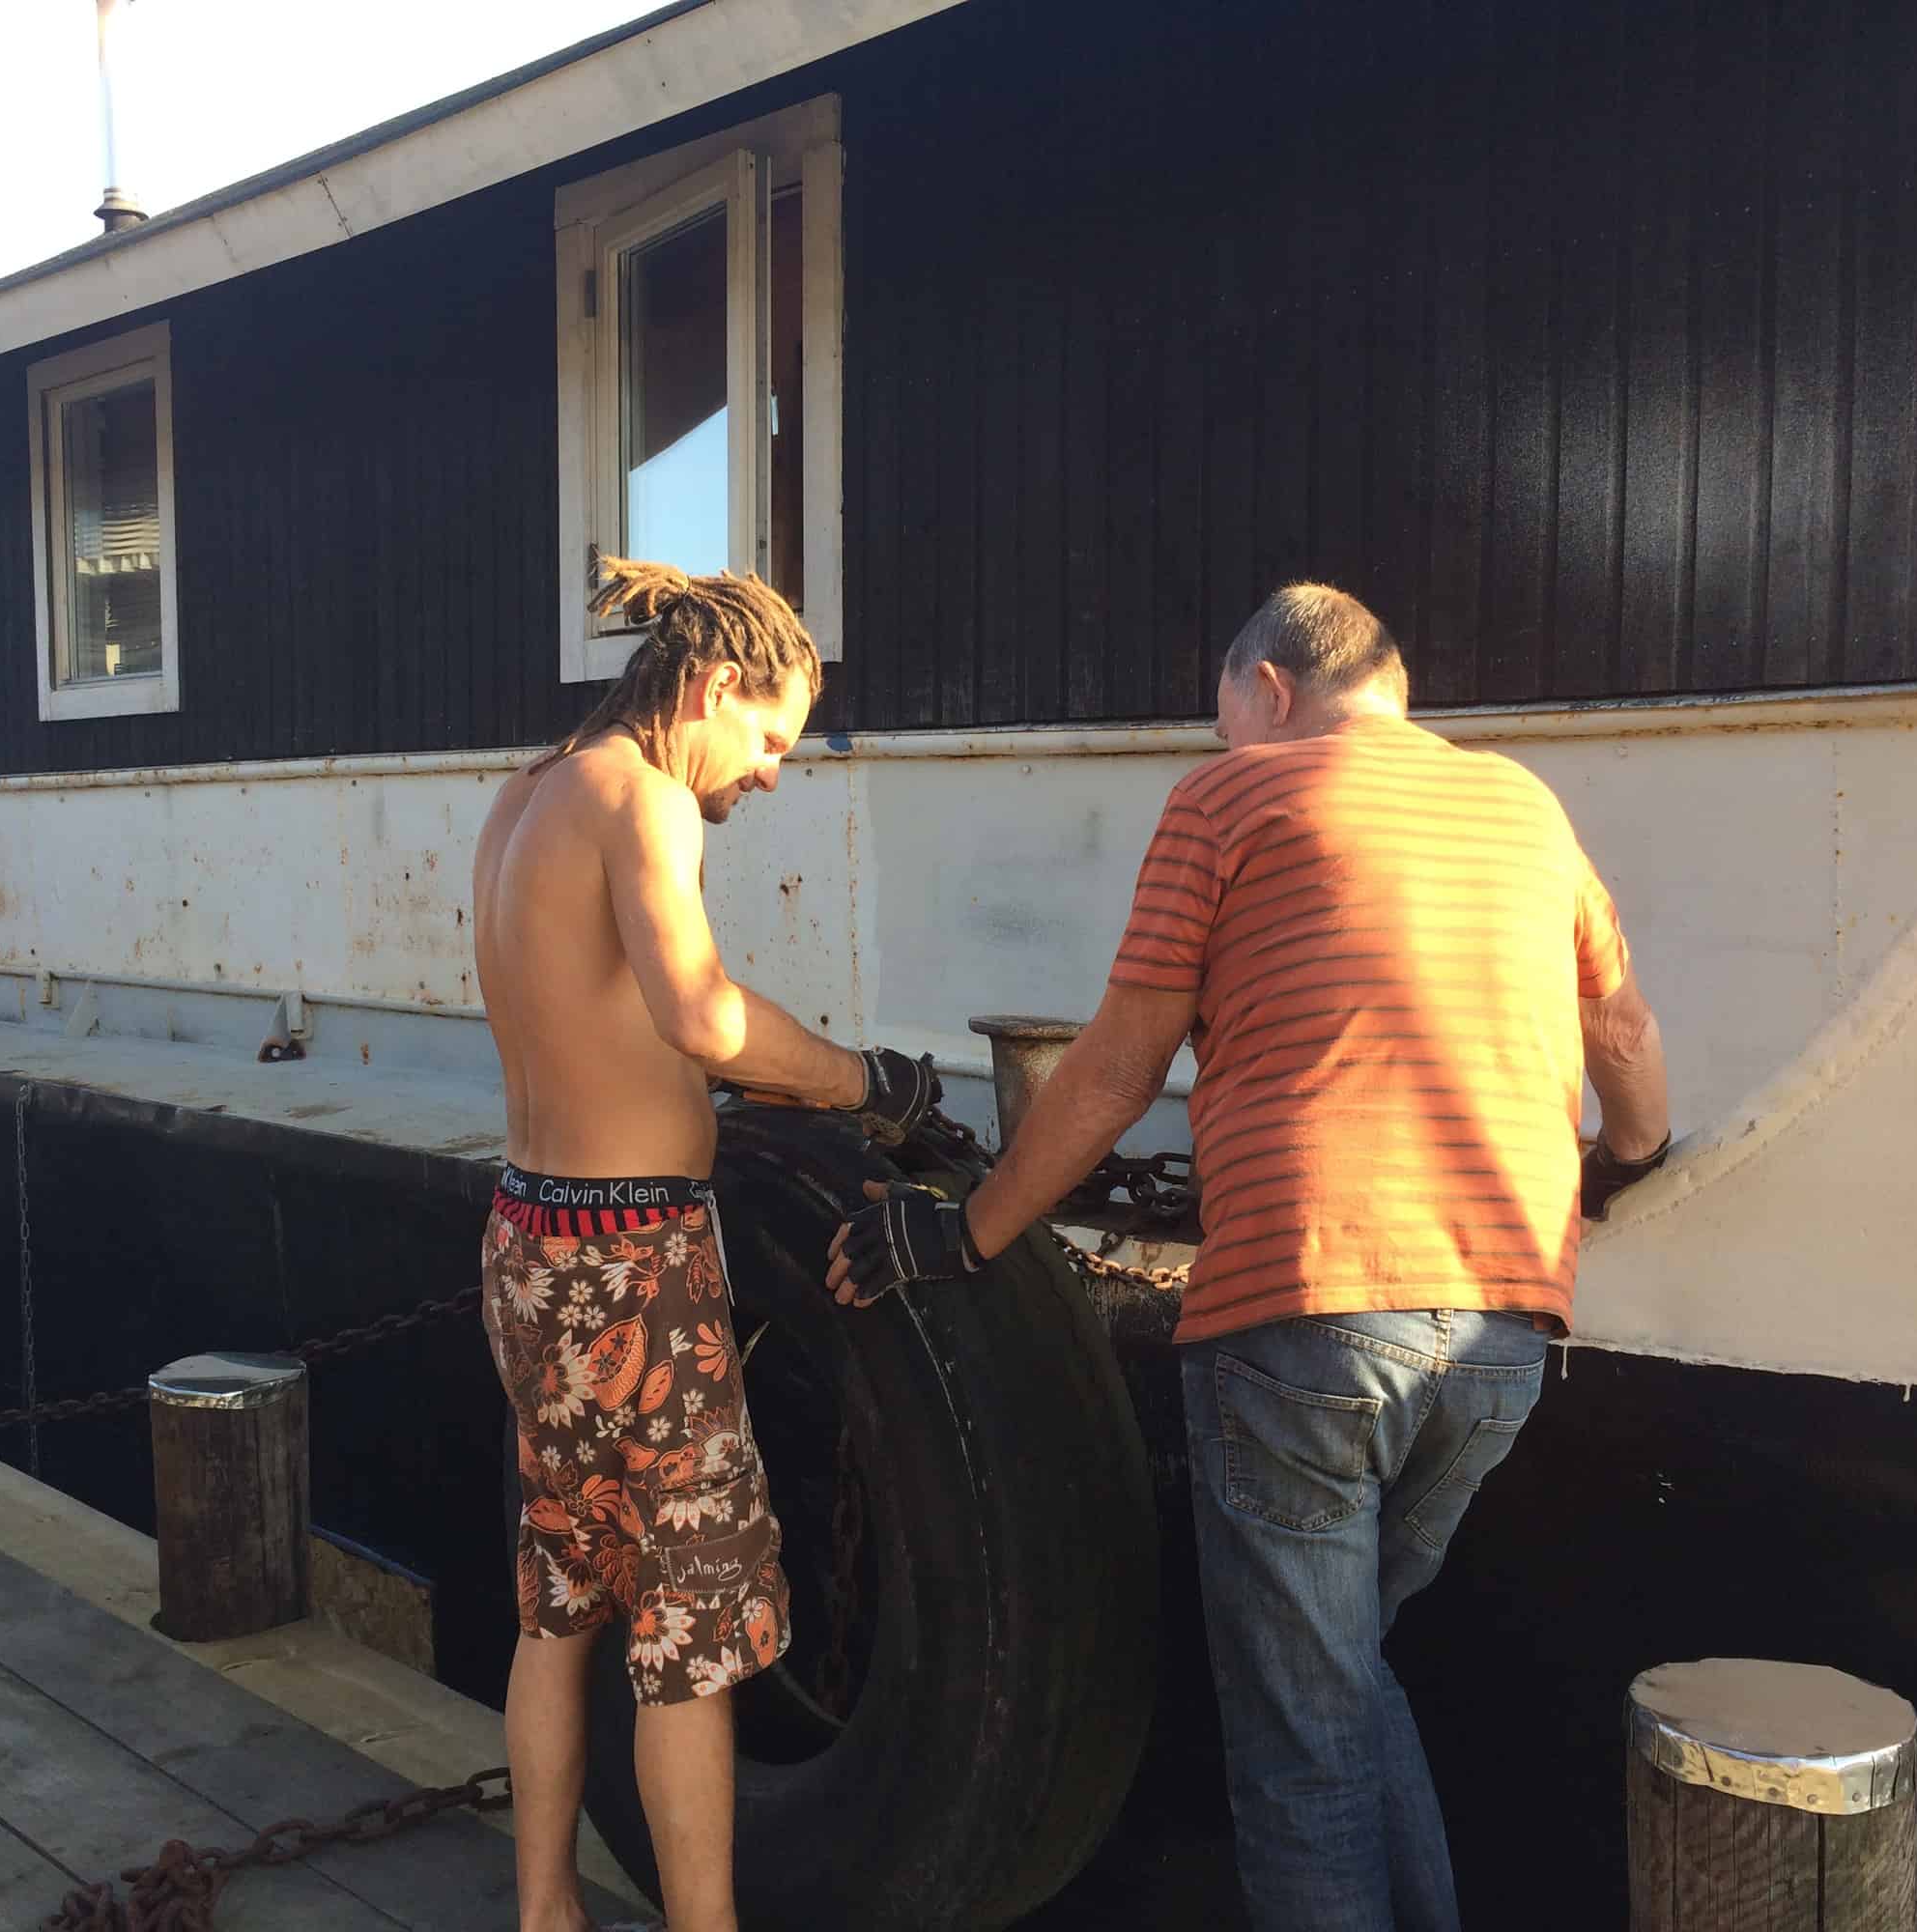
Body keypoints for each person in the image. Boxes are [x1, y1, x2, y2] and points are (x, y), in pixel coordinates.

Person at [827, 582, 1671, 1930]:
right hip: (1508, 1328)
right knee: (1337, 1674)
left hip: (1309, 1315)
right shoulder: (1524, 805)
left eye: (1228, 722)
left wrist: (970, 1225)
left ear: (1269, 690)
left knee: (1298, 1751)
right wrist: (1627, 1163)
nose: (1224, 748)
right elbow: (1623, 1044)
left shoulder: (1229, 800)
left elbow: (1113, 1072)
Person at [472, 555, 939, 1932]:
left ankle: (546, 1912)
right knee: (690, 1632)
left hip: (528, 1239)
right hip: (633, 1265)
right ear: (712, 687)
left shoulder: (527, 797)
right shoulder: (643, 797)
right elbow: (701, 1017)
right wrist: (867, 1082)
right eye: (774, 737)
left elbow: (592, 1019)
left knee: (560, 1599)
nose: (775, 773)